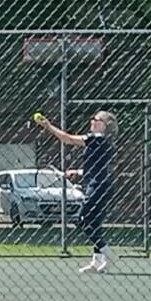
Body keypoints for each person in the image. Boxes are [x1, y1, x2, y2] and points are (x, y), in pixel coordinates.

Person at [33, 110, 117, 274]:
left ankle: (107, 253)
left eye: (96, 119)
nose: (91, 120)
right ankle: (97, 261)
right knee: (95, 223)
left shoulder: (97, 138)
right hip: (101, 185)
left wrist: (48, 126)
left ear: (104, 125)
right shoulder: (101, 142)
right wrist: (77, 172)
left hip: (98, 187)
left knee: (83, 220)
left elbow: (68, 139)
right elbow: (95, 168)